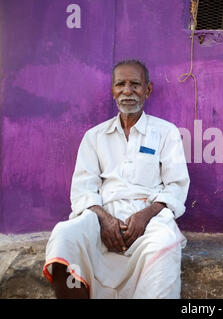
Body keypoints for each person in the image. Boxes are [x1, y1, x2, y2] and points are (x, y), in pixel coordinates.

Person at [43, 59, 190, 299]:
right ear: (113, 90)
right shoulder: (95, 136)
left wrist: (145, 216)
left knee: (164, 244)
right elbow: (83, 189)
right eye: (120, 84)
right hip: (102, 216)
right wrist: (105, 220)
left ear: (148, 90)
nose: (127, 91)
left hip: (149, 218)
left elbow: (176, 186)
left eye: (135, 84)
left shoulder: (166, 132)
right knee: (64, 235)